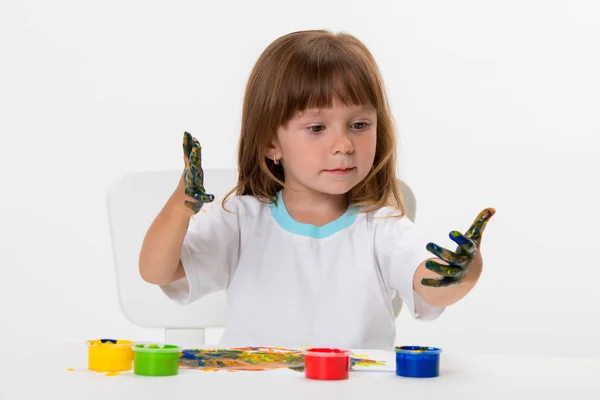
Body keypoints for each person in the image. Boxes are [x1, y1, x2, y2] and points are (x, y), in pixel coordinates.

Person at [139, 29, 495, 350]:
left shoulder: (382, 225)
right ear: (269, 144)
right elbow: (157, 272)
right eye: (316, 128)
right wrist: (180, 207)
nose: (343, 144)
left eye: (359, 124)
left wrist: (466, 268)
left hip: (355, 387)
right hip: (253, 386)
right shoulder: (242, 220)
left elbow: (433, 286)